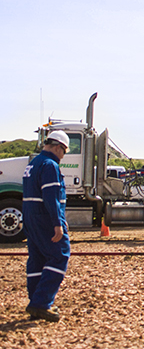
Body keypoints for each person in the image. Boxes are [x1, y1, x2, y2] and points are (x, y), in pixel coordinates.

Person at [22, 130, 71, 322]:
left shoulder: (33, 163)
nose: (62, 156)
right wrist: (57, 223)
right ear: (58, 147)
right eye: (64, 152)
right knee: (60, 255)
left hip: (30, 216)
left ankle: (36, 300)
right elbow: (51, 197)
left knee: (38, 258)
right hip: (44, 217)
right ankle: (41, 303)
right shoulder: (50, 165)